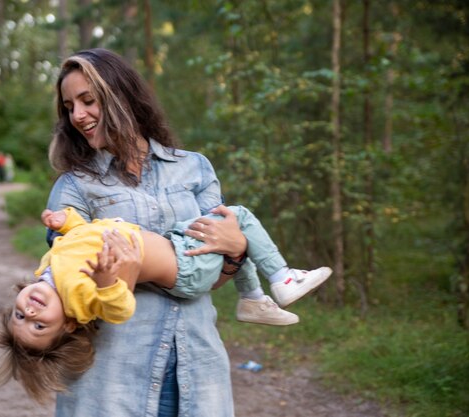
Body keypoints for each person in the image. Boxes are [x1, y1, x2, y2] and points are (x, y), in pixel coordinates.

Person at [30, 48, 323, 416]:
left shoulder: (194, 169)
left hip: (198, 371)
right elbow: (70, 281)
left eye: (88, 101)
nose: (78, 115)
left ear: (121, 96)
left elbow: (210, 278)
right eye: (69, 106)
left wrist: (233, 253)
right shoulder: (74, 188)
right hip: (110, 381)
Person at [0, 205, 331, 403]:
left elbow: (82, 233)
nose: (29, 313)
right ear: (69, 324)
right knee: (236, 214)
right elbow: (119, 308)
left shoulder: (49, 268)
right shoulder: (79, 299)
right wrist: (112, 281)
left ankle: (253, 299)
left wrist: (66, 221)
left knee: (223, 228)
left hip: (177, 243)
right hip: (187, 265)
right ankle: (282, 278)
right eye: (39, 326)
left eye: (20, 315)